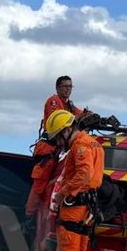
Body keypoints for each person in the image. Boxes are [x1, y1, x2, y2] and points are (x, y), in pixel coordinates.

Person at [40, 109, 104, 251]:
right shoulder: (94, 144)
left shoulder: (80, 146)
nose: (59, 141)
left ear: (67, 130)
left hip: (74, 208)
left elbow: (83, 174)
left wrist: (62, 194)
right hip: (87, 209)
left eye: (59, 136)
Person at [26, 76, 85, 214]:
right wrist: (79, 118)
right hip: (48, 149)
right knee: (40, 184)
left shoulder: (68, 104)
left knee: (51, 183)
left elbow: (79, 113)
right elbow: (61, 121)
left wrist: (89, 115)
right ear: (58, 88)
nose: (68, 89)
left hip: (57, 149)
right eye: (65, 86)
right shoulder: (54, 101)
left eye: (70, 86)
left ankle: (38, 214)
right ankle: (29, 215)